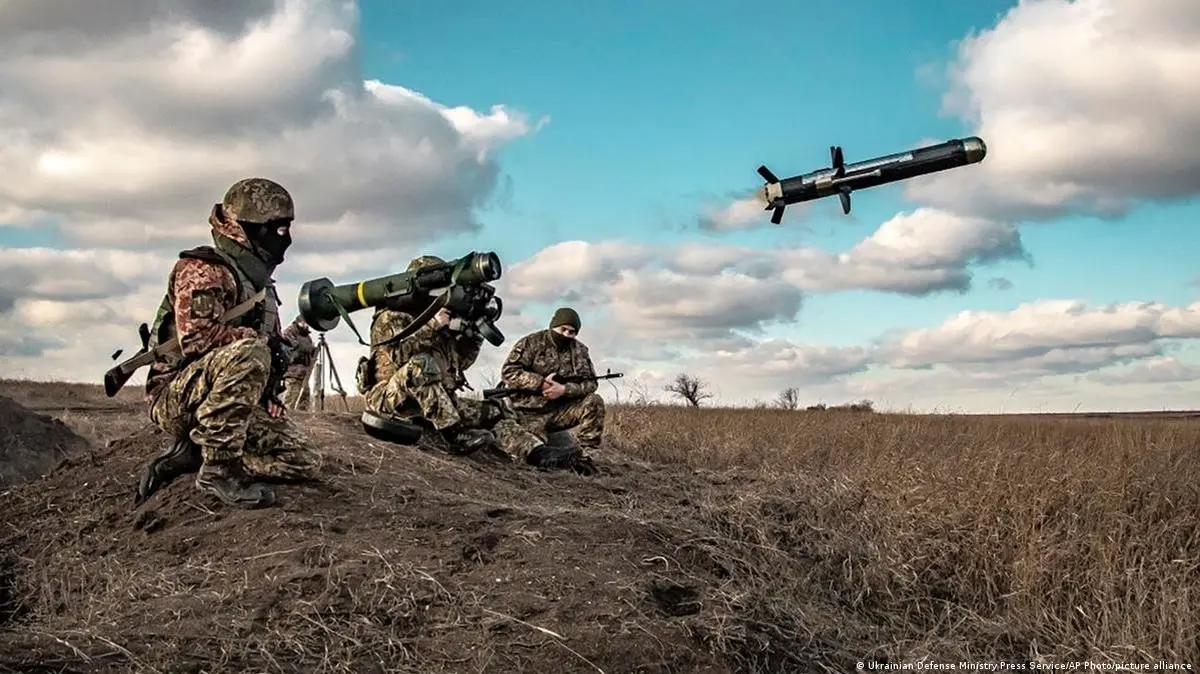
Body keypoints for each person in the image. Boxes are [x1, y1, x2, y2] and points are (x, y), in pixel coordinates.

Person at [134, 178, 322, 509]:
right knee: (251, 351)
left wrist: (269, 388)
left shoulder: (261, 285)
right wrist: (261, 345)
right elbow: (197, 339)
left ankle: (194, 455)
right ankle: (218, 470)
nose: (286, 239)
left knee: (303, 461)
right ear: (247, 227)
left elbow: (266, 348)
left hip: (224, 397)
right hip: (177, 398)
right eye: (277, 230)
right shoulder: (203, 269)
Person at [360, 255, 544, 457]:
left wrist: (474, 337)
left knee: (495, 411)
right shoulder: (392, 316)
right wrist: (432, 326)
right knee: (421, 364)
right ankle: (454, 435)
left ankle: (536, 453)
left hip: (436, 403)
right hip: (392, 399)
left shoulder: (444, 318)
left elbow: (460, 364)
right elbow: (400, 356)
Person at [500, 307, 606, 465]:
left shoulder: (580, 350)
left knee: (594, 401)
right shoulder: (531, 342)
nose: (566, 335)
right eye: (563, 329)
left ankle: (585, 456)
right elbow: (509, 372)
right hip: (528, 412)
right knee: (534, 454)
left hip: (559, 412)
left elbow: (591, 383)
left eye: (572, 332)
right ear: (553, 326)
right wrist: (540, 383)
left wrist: (564, 390)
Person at [280, 315, 317, 411]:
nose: (306, 326)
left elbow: (309, 351)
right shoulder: (289, 333)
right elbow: (295, 349)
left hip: (304, 375)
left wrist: (314, 351)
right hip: (292, 374)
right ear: (298, 322)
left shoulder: (306, 336)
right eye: (305, 323)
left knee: (303, 404)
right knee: (291, 403)